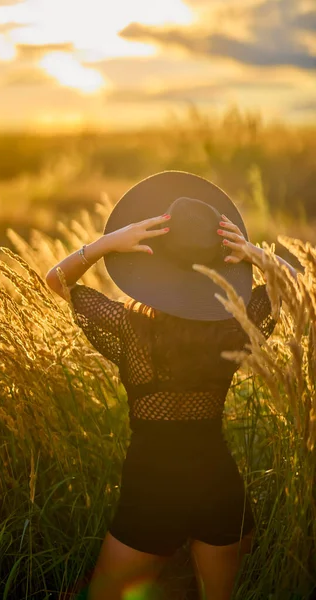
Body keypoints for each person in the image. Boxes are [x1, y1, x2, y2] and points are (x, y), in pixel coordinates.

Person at [45, 171, 297, 600]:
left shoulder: (128, 329)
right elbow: (298, 288)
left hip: (151, 491)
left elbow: (55, 281)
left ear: (151, 263)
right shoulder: (238, 325)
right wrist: (253, 253)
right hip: (220, 489)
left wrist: (106, 244)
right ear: (217, 261)